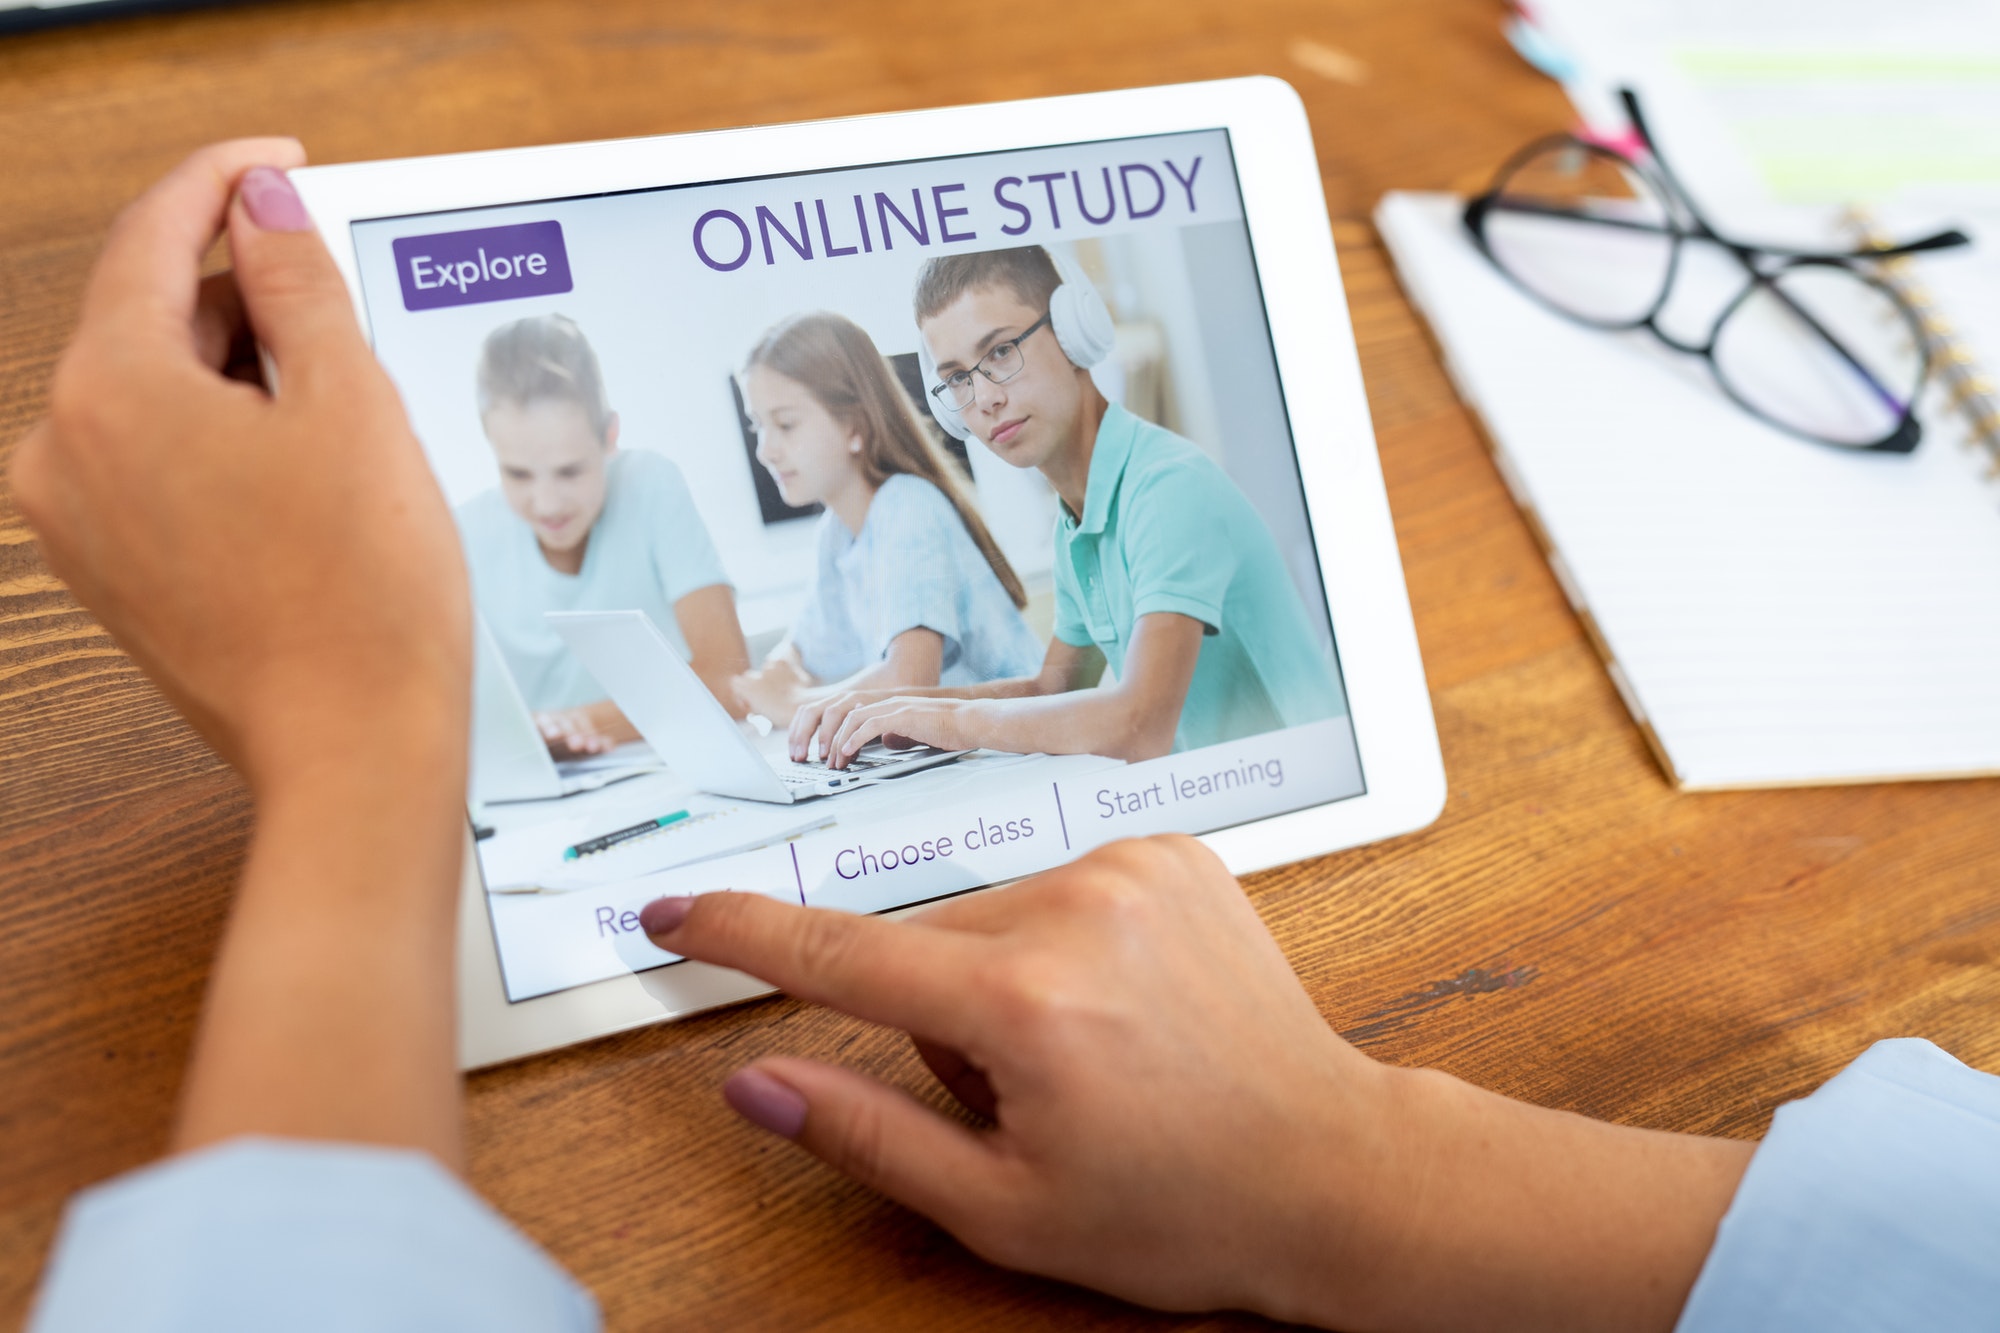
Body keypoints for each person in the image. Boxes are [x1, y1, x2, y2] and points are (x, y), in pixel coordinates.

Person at [16, 146, 2000, 1333]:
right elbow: (1020, 666)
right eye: (948, 370)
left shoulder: (1147, 498)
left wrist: (368, 720)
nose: (973, 396)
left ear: (1071, 343)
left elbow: (1117, 711)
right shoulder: (1055, 507)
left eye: (994, 358)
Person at [790, 245, 1344, 770]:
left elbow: (1139, 725)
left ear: (1075, 332)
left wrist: (954, 720)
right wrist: (896, 708)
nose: (984, 398)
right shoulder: (1077, 516)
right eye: (957, 377)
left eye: (1001, 351)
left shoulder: (1167, 487)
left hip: (1302, 794)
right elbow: (1051, 686)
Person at [731, 311, 1042, 728]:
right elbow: (801, 649)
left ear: (854, 425)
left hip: (1021, 753)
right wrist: (781, 672)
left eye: (785, 424)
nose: (765, 450)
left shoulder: (907, 506)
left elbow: (909, 679)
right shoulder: (838, 533)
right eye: (758, 427)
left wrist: (792, 705)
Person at [459, 313, 750, 758]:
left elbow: (729, 677)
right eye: (517, 474)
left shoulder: (650, 484)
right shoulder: (465, 534)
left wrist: (577, 726)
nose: (548, 503)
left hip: (673, 769)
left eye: (570, 471)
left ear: (610, 436)